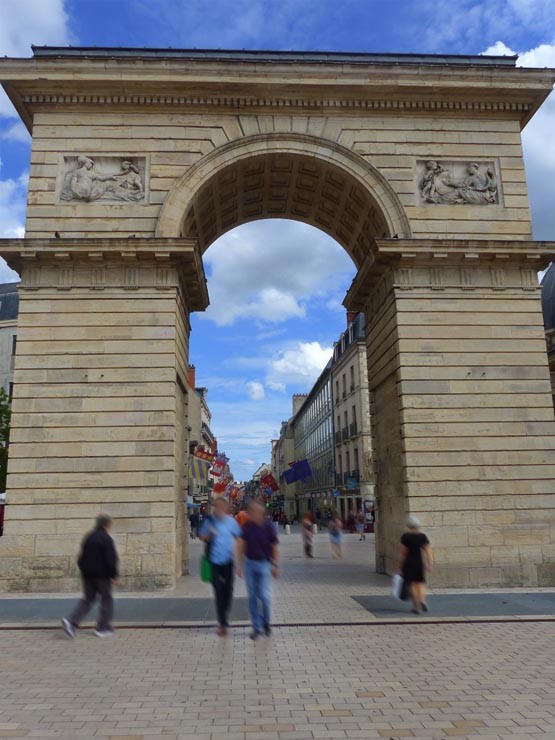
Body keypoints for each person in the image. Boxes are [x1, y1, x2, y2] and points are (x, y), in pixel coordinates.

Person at [61, 514, 119, 638]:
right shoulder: (106, 539)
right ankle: (102, 628)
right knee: (106, 600)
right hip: (102, 576)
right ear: (106, 525)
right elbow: (110, 559)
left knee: (88, 599)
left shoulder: (89, 537)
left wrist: (84, 570)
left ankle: (71, 621)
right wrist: (114, 575)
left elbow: (80, 558)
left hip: (87, 575)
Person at [237, 501, 279, 640]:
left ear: (261, 512)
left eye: (256, 511)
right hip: (249, 564)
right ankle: (256, 627)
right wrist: (239, 565)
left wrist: (276, 566)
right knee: (252, 597)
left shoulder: (268, 526)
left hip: (264, 564)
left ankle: (265, 622)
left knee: (265, 596)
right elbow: (242, 545)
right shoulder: (248, 526)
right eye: (251, 511)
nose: (253, 514)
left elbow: (274, 546)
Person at [199, 496, 241, 636]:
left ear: (226, 508)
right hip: (213, 562)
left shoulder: (232, 522)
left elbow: (239, 538)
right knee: (218, 591)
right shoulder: (209, 521)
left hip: (228, 561)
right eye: (216, 507)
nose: (219, 509)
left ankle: (224, 616)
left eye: (221, 507)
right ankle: (222, 623)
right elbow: (202, 536)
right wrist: (209, 535)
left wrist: (240, 561)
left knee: (228, 590)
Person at [398, 516, 433, 615]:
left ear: (409, 525)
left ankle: (416, 606)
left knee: (412, 584)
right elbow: (428, 551)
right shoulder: (422, 536)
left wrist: (400, 565)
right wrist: (429, 564)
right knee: (420, 583)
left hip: (409, 563)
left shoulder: (406, 537)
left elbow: (403, 553)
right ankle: (422, 601)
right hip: (419, 562)